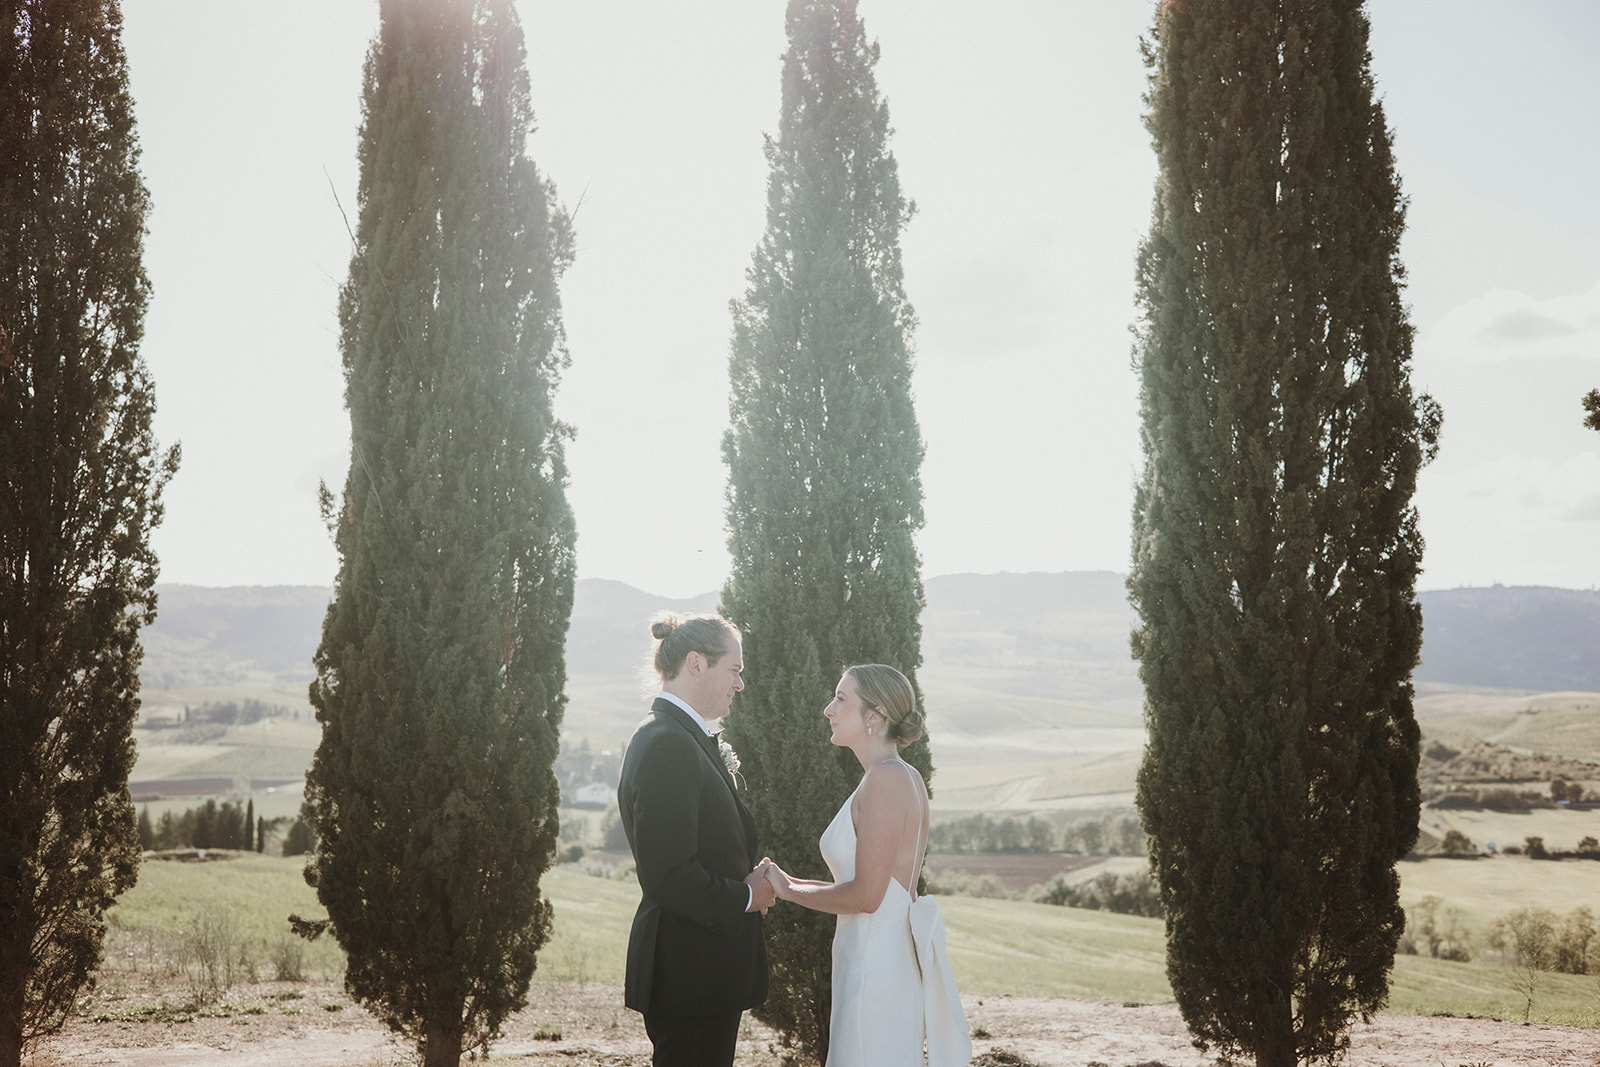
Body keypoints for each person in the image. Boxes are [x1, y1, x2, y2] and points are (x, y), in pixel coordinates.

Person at [762, 664, 971, 1067]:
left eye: (841, 699)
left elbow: (868, 896)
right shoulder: (894, 775)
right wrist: (789, 880)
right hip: (871, 959)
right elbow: (871, 884)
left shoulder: (886, 781)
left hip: (876, 970)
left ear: (875, 716)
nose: (829, 709)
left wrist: (787, 892)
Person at [617, 612, 774, 1067]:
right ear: (696, 664)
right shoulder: (668, 743)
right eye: (735, 669)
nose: (739, 684)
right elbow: (668, 875)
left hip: (702, 972)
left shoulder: (681, 736)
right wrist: (748, 895)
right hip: (689, 973)